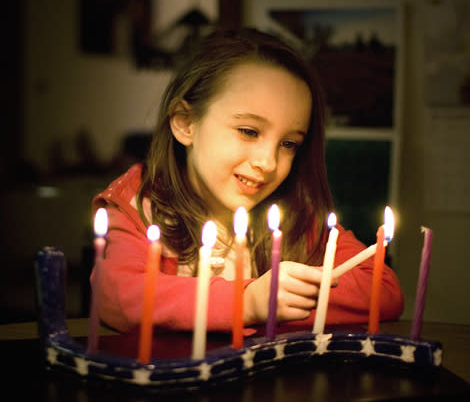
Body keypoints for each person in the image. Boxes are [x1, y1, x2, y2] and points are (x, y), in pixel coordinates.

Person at [91, 28, 403, 334]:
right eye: (249, 131)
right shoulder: (140, 205)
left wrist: (282, 304)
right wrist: (248, 302)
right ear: (186, 123)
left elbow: (383, 289)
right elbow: (117, 296)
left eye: (289, 144)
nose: (268, 162)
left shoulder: (293, 214)